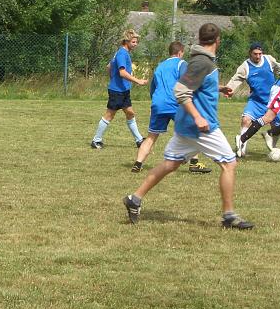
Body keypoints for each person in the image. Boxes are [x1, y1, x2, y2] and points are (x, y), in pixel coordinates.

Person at [123, 23, 254, 229]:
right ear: (218, 40)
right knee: (229, 164)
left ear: (200, 39)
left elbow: (196, 85)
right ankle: (229, 215)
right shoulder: (202, 62)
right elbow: (181, 90)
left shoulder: (199, 60)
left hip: (186, 126)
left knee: (170, 164)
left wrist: (219, 88)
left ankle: (135, 199)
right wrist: (198, 117)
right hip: (201, 127)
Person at [130, 41, 212, 174]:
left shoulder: (160, 66)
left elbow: (153, 87)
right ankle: (194, 164)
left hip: (158, 103)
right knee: (194, 129)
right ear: (180, 53)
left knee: (151, 137)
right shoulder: (181, 64)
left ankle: (137, 164)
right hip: (175, 102)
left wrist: (156, 102)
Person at [225, 42, 280, 157]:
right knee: (246, 120)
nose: (258, 56)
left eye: (260, 53)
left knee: (276, 128)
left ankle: (273, 148)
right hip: (256, 101)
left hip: (272, 101)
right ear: (250, 53)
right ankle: (241, 149)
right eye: (255, 54)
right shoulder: (245, 66)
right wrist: (229, 89)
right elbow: (236, 78)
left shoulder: (269, 60)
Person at [90, 29, 148, 149]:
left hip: (123, 90)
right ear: (126, 41)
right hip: (117, 91)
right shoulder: (122, 53)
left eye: (136, 42)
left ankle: (139, 140)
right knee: (109, 115)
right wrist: (138, 81)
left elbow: (109, 66)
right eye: (133, 42)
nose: (136, 44)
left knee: (130, 113)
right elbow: (122, 72)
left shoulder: (121, 52)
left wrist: (112, 77)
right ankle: (96, 140)